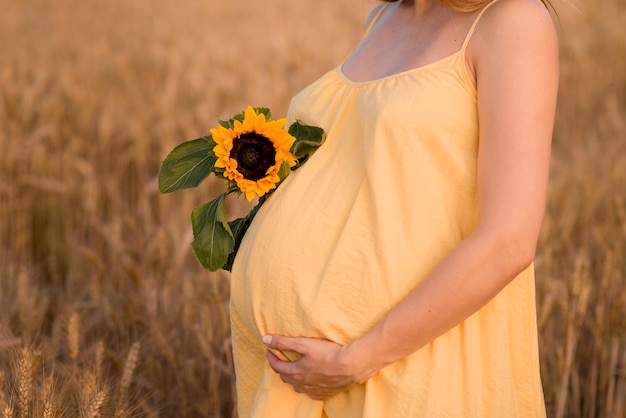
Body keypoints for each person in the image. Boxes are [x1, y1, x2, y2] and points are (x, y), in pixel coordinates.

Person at [229, 0, 559, 416]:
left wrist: (360, 358)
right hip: (299, 382)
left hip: (400, 368)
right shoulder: (384, 16)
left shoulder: (512, 22)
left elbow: (508, 240)